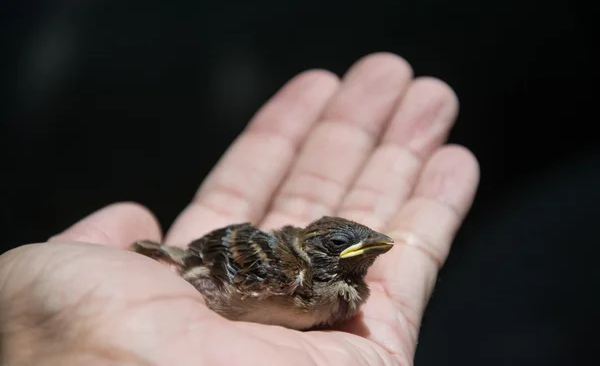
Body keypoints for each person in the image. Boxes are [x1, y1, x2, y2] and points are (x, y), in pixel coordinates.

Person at [0, 53, 479, 365]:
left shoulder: (345, 294)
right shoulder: (287, 275)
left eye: (360, 244)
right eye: (341, 245)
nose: (362, 249)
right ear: (315, 250)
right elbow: (219, 257)